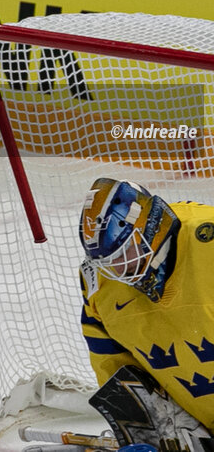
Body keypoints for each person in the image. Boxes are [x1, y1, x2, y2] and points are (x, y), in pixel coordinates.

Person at [78, 177, 214, 435]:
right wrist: (144, 429)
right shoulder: (101, 283)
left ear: (150, 229)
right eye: (108, 261)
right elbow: (111, 362)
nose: (117, 269)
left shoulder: (207, 241)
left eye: (123, 253)